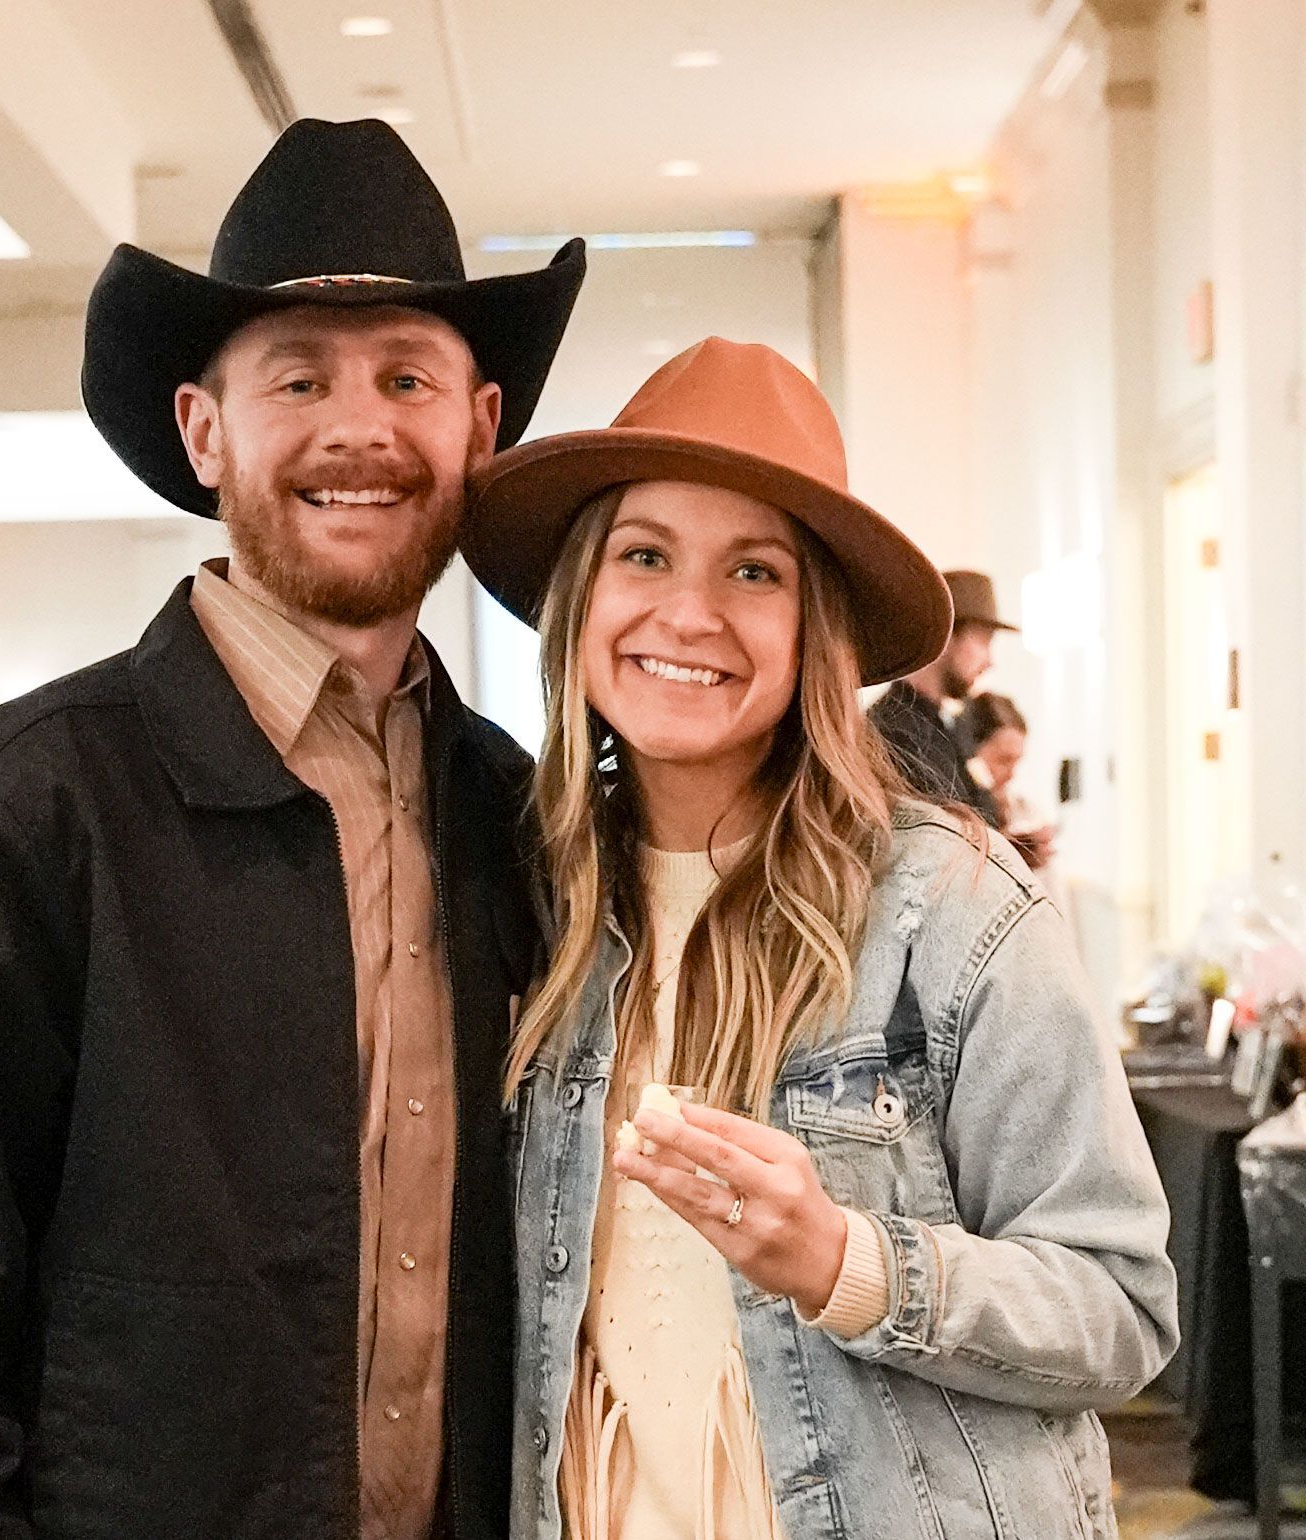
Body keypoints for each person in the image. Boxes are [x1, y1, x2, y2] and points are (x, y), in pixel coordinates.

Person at [0, 118, 584, 1539]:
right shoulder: (19, 810)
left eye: (409, 377)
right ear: (202, 429)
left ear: (477, 429)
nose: (360, 428)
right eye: (299, 379)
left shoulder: (509, 812)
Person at [461, 338, 1177, 1539]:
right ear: (584, 595)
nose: (688, 613)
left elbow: (1122, 1310)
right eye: (644, 554)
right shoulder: (532, 904)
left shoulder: (948, 904)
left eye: (755, 571)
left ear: (815, 632)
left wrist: (848, 1260)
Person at [866, 568, 1015, 827]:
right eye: (983, 641)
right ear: (945, 636)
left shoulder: (951, 725)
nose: (989, 661)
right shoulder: (892, 731)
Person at [954, 692, 1057, 871]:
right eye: (1003, 760)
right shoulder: (953, 816)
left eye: (1016, 762)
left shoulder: (1025, 812)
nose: (1011, 775)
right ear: (970, 753)